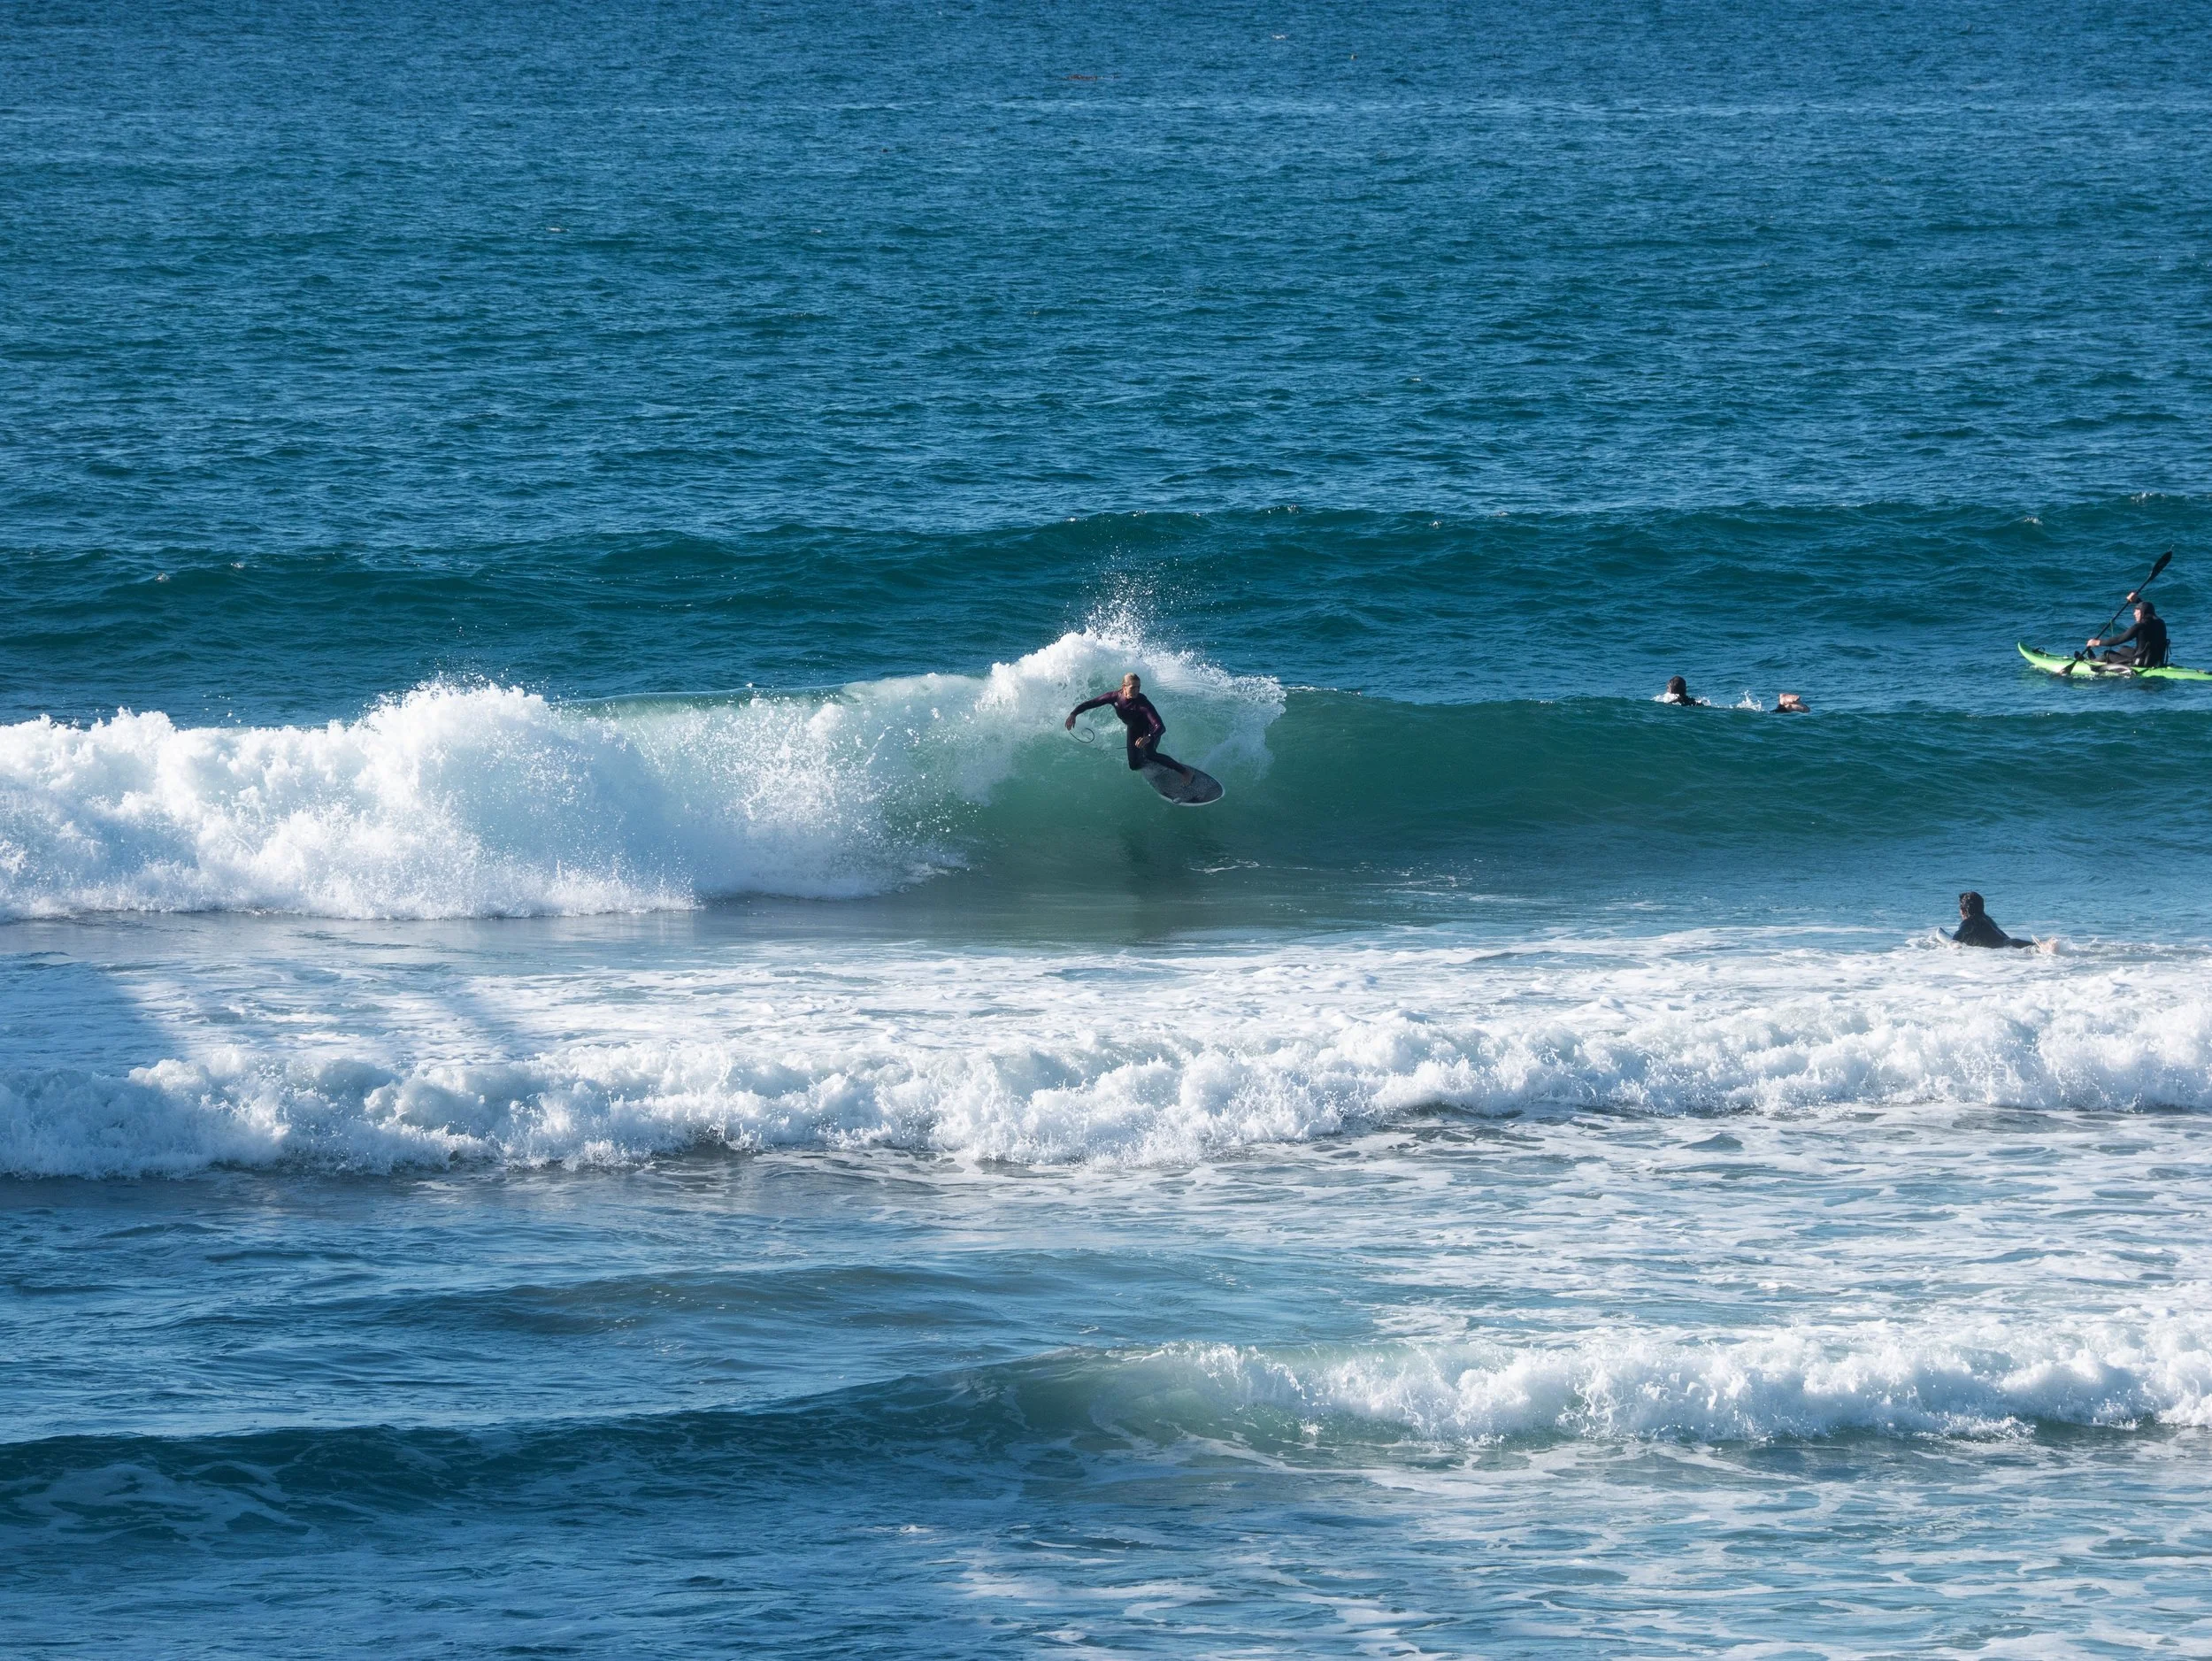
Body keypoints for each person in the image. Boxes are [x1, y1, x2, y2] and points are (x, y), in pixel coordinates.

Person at [1066, 673, 1194, 780]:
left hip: (1148, 731)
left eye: (1139, 687)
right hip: (1133, 730)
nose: (1137, 691)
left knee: (1150, 754)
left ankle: (1185, 772)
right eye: (1133, 687)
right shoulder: (1114, 697)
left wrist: (1149, 737)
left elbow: (1160, 726)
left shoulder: (1142, 703)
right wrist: (1074, 713)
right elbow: (1092, 703)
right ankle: (1153, 763)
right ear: (1124, 687)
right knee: (1134, 766)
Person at [2088, 597, 2170, 668]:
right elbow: (2147, 608)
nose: (2134, 614)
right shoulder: (2160, 623)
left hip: (2141, 663)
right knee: (2124, 649)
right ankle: (2102, 661)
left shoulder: (2140, 626)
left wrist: (2097, 642)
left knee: (2107, 654)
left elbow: (2119, 639)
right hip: (2156, 661)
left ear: (2142, 612)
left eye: (2136, 611)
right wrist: (2137, 600)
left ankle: (2092, 662)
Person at [1947, 891, 2034, 950]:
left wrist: (1954, 946)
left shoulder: (1968, 922)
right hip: (2014, 942)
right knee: (2037, 948)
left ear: (1962, 910)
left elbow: (1956, 940)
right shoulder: (1988, 919)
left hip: (2006, 948)